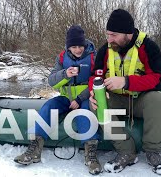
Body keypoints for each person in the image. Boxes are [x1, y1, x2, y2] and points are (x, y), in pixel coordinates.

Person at [89, 9, 161, 175]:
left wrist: (126, 81)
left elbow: (158, 79)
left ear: (128, 33)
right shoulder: (105, 50)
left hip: (141, 100)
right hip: (116, 100)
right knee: (96, 105)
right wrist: (94, 92)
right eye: (107, 34)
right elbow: (95, 76)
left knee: (157, 98)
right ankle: (126, 151)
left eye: (114, 35)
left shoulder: (149, 47)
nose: (109, 39)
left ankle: (153, 152)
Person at [14, 25, 102, 175]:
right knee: (49, 106)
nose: (78, 49)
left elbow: (97, 81)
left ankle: (91, 154)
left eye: (80, 46)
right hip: (66, 98)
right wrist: (65, 74)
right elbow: (52, 81)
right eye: (74, 46)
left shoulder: (94, 57)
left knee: (85, 113)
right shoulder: (62, 58)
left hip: (86, 98)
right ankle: (35, 148)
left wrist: (80, 99)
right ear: (68, 47)